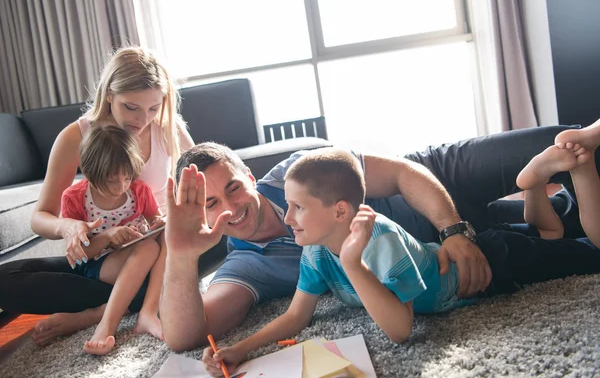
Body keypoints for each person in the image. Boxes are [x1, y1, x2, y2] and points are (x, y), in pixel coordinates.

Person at [160, 123, 600, 352]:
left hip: (437, 184)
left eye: (233, 188)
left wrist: (455, 230)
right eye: (211, 203)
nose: (231, 208)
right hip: (439, 254)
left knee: (564, 143)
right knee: (565, 230)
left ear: (251, 177)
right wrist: (179, 255)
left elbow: (406, 173)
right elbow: (186, 335)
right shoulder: (246, 265)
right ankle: (541, 192)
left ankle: (551, 172)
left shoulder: (298, 172)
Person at [0, 45, 194, 346]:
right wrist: (69, 226)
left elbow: (204, 190)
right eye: (131, 107)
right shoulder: (77, 136)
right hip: (103, 256)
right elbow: (41, 218)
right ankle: (137, 300)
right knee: (4, 280)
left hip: (161, 250)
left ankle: (96, 314)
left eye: (153, 108)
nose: (143, 119)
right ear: (109, 95)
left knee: (206, 243)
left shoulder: (169, 130)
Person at [62, 124, 165, 354]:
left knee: (162, 242)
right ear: (90, 172)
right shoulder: (75, 198)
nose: (121, 187)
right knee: (148, 250)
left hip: (138, 255)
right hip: (99, 263)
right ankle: (106, 325)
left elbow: (156, 219)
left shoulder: (138, 191)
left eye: (127, 177)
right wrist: (107, 236)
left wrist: (159, 224)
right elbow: (79, 257)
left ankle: (136, 312)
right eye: (111, 180)